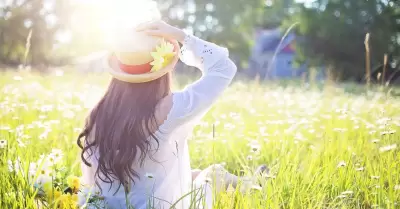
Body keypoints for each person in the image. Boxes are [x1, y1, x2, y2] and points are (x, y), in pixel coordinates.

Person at [77, 20, 267, 209]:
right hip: (168, 206)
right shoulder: (169, 109)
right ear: (163, 69)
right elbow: (223, 67)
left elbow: (91, 184)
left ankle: (252, 180)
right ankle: (255, 184)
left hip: (117, 205)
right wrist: (181, 35)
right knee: (214, 174)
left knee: (193, 174)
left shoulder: (97, 114)